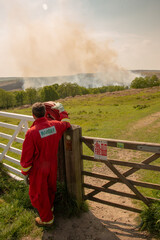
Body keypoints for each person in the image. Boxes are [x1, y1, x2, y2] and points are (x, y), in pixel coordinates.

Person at [20, 102, 70, 227]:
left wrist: (25, 172)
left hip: (38, 169)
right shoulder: (56, 126)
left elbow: (26, 158)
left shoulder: (31, 133)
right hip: (52, 165)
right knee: (50, 188)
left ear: (33, 115)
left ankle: (47, 220)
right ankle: (50, 208)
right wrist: (62, 110)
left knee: (38, 195)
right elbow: (66, 123)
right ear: (45, 112)